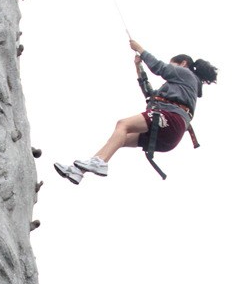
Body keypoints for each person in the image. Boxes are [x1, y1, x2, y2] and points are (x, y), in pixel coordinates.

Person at [54, 38, 218, 184]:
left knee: (123, 124)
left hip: (171, 120)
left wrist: (139, 48)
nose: (171, 68)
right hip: (170, 133)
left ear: (183, 63)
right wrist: (138, 67)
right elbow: (150, 95)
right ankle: (79, 171)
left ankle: (100, 162)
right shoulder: (179, 89)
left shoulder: (186, 73)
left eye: (173, 64)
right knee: (122, 138)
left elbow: (159, 67)